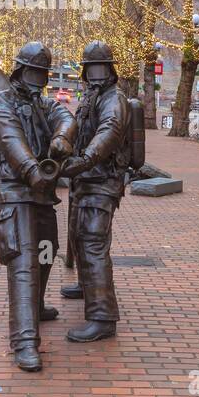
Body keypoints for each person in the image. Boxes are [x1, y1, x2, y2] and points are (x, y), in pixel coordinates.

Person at [0, 41, 76, 372]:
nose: (38, 81)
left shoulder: (41, 102)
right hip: (17, 188)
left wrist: (63, 136)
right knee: (24, 262)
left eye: (42, 75)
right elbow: (11, 141)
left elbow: (64, 114)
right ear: (20, 71)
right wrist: (32, 172)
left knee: (48, 249)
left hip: (42, 189)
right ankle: (24, 341)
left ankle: (36, 306)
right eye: (34, 73)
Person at [58, 41, 129, 342]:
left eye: (100, 70)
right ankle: (88, 287)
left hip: (101, 181)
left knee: (92, 243)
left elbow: (109, 131)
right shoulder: (91, 98)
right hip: (85, 180)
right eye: (92, 70)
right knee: (79, 236)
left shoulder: (114, 100)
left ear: (110, 71)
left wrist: (84, 161)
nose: (96, 76)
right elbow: (75, 126)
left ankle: (102, 317)